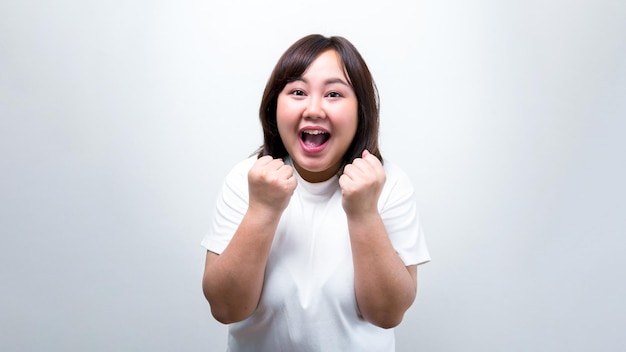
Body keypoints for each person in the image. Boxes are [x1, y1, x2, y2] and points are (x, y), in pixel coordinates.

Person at [201, 34, 430, 351]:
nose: (314, 109)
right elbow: (225, 308)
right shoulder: (245, 179)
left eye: (334, 94)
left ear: (361, 110)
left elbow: (387, 314)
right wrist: (262, 210)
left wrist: (364, 213)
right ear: (273, 107)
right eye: (297, 92)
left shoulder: (390, 183)